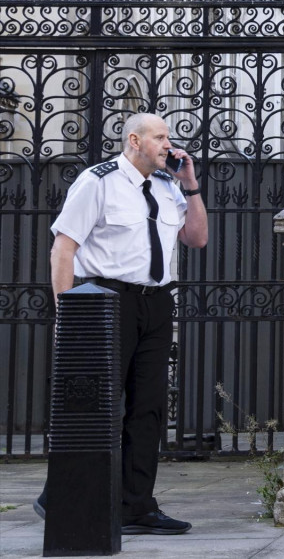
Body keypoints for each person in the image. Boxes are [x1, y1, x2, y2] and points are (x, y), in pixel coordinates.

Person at [36, 112, 208, 534]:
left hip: (156, 303)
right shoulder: (99, 181)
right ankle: (59, 495)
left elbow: (197, 238)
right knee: (94, 405)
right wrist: (68, 316)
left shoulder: (170, 186)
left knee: (148, 407)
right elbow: (64, 248)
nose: (169, 144)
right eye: (160, 137)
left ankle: (137, 507)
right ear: (134, 139)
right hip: (106, 301)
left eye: (169, 137)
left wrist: (191, 183)